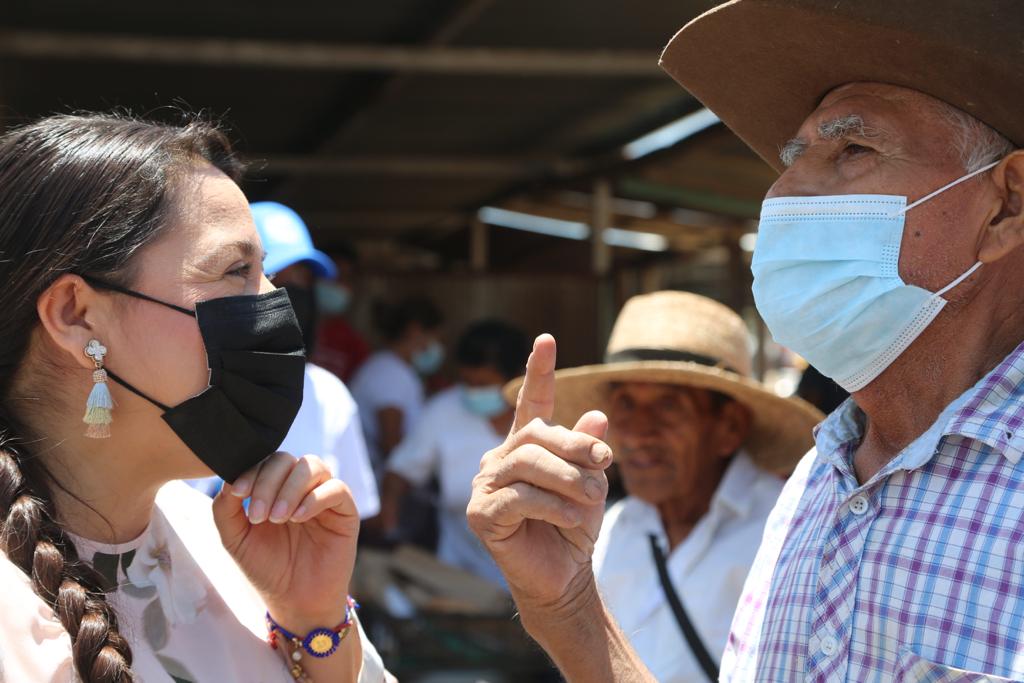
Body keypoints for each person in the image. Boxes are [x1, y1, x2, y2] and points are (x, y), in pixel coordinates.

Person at [468, 1, 1024, 681]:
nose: (786, 190)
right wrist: (568, 606)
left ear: (1007, 204)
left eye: (853, 149)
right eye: (792, 158)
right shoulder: (820, 481)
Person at [0, 113, 388, 682]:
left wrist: (312, 619)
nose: (275, 305)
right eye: (237, 271)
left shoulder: (227, 545)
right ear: (76, 315)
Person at [503, 292, 820, 681]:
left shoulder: (791, 537)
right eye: (625, 405)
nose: (638, 432)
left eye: (669, 406)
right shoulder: (606, 530)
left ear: (729, 427)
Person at [188, 202, 380, 520]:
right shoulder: (185, 384)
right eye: (274, 276)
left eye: (303, 281)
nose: (287, 296)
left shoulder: (328, 394)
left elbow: (352, 511)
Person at [380, 320, 530, 588]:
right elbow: (399, 473)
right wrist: (390, 533)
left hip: (536, 578)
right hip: (460, 579)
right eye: (467, 382)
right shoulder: (442, 412)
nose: (473, 392)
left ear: (516, 379)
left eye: (483, 384)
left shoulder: (547, 418)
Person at [350, 296, 444, 479]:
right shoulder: (390, 373)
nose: (437, 348)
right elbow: (390, 442)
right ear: (415, 331)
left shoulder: (396, 369)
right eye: (435, 338)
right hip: (381, 483)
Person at [312, 243, 371, 384]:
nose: (337, 284)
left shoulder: (354, 344)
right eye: (332, 277)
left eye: (345, 278)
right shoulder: (287, 327)